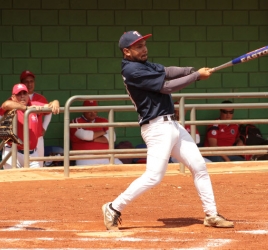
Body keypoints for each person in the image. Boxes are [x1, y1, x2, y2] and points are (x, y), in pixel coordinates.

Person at [101, 30, 234, 231]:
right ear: (127, 52)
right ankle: (113, 207)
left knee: (199, 167)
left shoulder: (145, 65)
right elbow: (167, 86)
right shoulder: (132, 71)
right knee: (154, 176)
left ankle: (211, 214)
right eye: (138, 46)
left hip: (172, 125)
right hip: (156, 128)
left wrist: (189, 70)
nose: (144, 48)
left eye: (144, 44)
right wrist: (196, 76)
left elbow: (168, 71)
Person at [1, 83, 60, 169]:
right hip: (13, 152)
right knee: (14, 180)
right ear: (13, 97)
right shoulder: (11, 106)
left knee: (36, 179)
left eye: (24, 93)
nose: (22, 96)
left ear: (28, 95)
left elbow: (49, 106)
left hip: (31, 154)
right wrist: (26, 109)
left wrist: (55, 102)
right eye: (19, 94)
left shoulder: (33, 104)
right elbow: (6, 105)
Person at [70, 100, 123, 165]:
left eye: (95, 110)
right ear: (83, 110)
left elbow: (113, 137)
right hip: (86, 157)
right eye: (89, 111)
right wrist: (102, 132)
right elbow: (84, 136)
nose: (92, 113)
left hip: (106, 155)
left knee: (122, 169)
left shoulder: (103, 120)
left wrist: (92, 139)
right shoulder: (76, 121)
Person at [20, 70, 52, 167]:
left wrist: (44, 127)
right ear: (22, 83)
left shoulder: (40, 98)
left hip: (37, 137)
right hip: (21, 140)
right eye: (26, 81)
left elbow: (49, 112)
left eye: (31, 81)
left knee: (39, 166)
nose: (29, 84)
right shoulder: (17, 97)